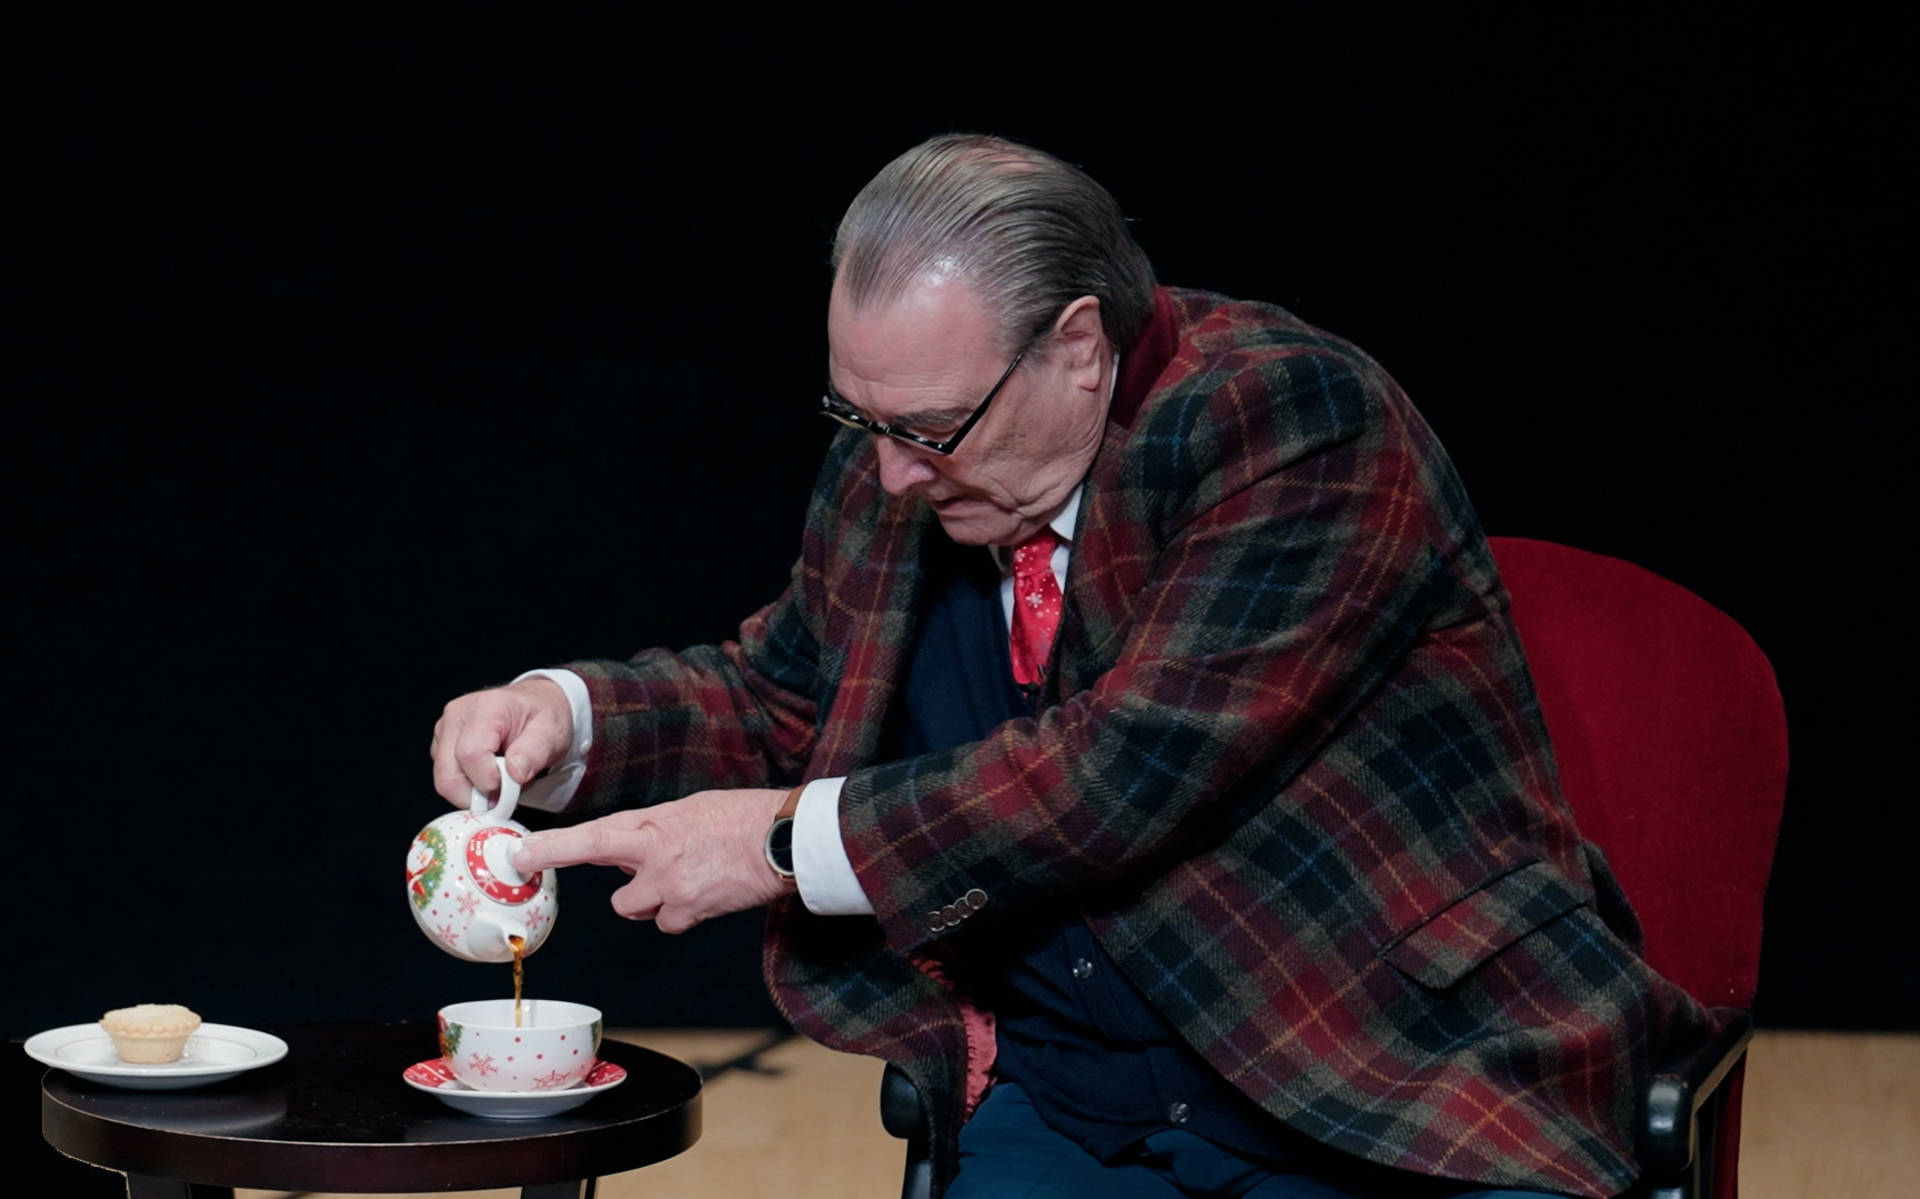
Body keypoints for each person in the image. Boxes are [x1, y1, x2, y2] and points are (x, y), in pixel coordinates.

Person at [429, 134, 1716, 1199]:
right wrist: (567, 711)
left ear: (1080, 345)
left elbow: (1123, 768)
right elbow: (785, 692)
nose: (888, 474)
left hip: (1383, 1076)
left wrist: (773, 842)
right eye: (860, 421)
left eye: (929, 428)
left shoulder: (1290, 423)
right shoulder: (908, 460)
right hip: (1082, 1107)